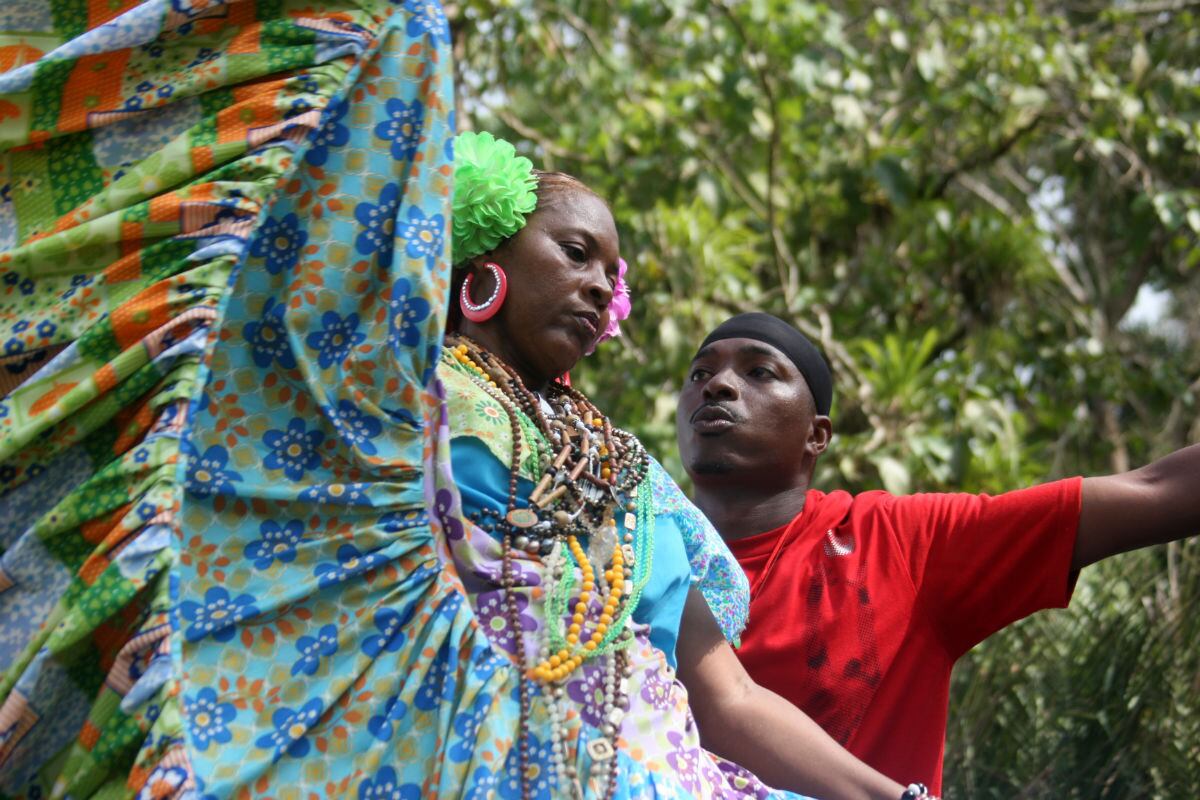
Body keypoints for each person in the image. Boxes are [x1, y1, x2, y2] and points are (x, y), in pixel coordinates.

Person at [0, 2, 917, 796]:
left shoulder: (629, 473)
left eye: (613, 269)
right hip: (423, 743)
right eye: (573, 252)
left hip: (635, 770)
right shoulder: (397, 392)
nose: (602, 283)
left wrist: (891, 797)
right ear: (484, 261)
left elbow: (726, 695)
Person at [675, 311, 1200, 795]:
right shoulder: (629, 556)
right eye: (700, 374)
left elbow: (1155, 492)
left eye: (760, 372)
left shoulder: (900, 543)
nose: (717, 385)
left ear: (818, 436)